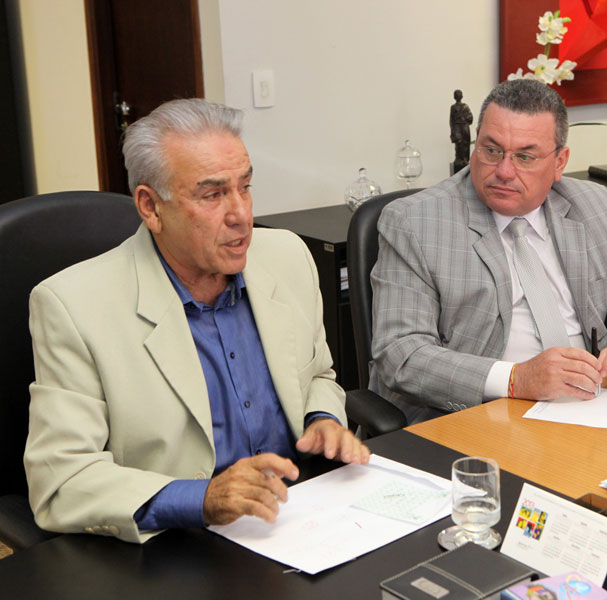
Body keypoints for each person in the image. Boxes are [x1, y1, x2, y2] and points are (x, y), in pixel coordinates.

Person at [24, 99, 369, 543]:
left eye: (245, 187)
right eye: (212, 195)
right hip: (180, 543)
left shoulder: (286, 256)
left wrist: (321, 418)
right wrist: (201, 499)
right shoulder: (73, 306)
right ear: (151, 207)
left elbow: (318, 374)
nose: (241, 215)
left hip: (303, 518)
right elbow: (63, 481)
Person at [370, 79, 607, 425]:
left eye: (525, 157)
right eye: (491, 150)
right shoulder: (415, 221)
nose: (503, 171)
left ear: (560, 162)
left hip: (594, 405)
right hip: (477, 415)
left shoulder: (594, 205)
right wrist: (516, 379)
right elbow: (401, 353)